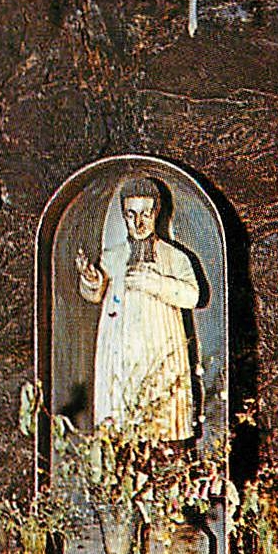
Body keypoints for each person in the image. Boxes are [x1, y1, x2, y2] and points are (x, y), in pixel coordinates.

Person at [75, 176, 200, 441]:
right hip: (120, 354)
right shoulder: (113, 257)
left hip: (160, 348)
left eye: (145, 214)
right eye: (132, 215)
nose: (139, 222)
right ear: (123, 216)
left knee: (161, 421)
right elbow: (95, 295)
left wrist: (157, 284)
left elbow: (192, 295)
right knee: (122, 421)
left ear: (156, 213)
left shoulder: (174, 257)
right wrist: (92, 280)